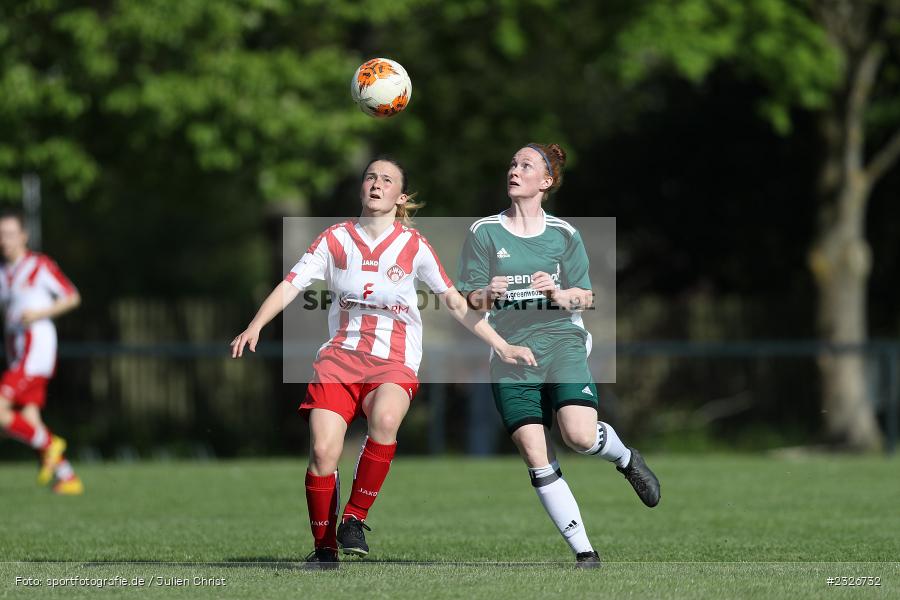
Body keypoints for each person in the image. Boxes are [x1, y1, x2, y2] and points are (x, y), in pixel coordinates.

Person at [231, 157, 535, 568]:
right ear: (362, 187)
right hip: (339, 361)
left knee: (387, 421)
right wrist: (255, 326)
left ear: (400, 196)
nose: (376, 184)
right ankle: (324, 549)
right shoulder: (334, 238)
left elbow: (455, 303)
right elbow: (291, 285)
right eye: (371, 176)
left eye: (387, 180)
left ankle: (355, 518)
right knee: (323, 452)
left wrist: (500, 344)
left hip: (394, 360)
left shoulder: (414, 245)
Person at [456, 143, 660, 568]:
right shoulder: (483, 232)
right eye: (512, 163)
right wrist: (484, 294)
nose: (514, 170)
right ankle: (585, 552)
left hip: (561, 340)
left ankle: (625, 458)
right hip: (510, 352)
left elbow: (585, 297)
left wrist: (557, 292)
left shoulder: (565, 234)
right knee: (535, 452)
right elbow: (466, 301)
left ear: (545, 182)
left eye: (525, 165)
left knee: (580, 437)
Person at [0, 209, 83, 495]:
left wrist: (39, 313)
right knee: (29, 420)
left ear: (24, 236)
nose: (4, 240)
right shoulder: (3, 272)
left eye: (10, 233)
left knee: (1, 411)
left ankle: (50, 444)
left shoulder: (39, 265)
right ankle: (68, 477)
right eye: (0, 234)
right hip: (16, 355)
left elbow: (72, 296)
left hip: (36, 355)